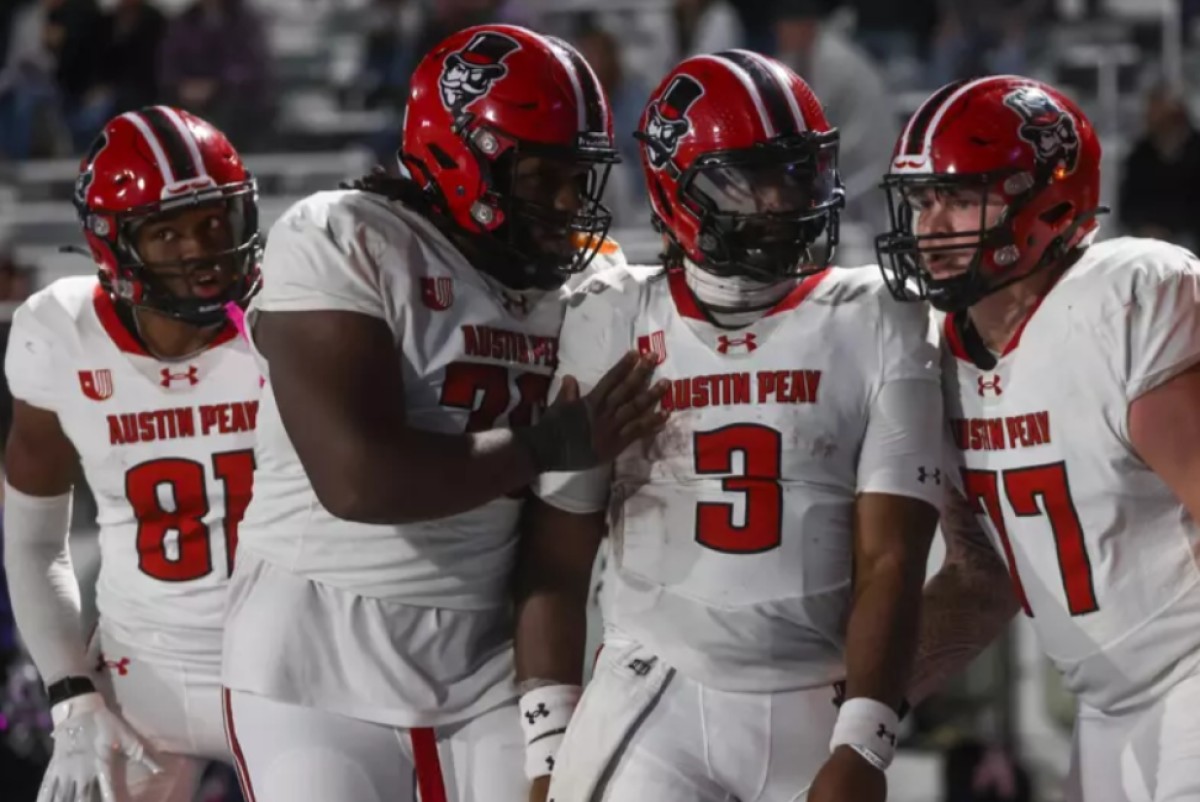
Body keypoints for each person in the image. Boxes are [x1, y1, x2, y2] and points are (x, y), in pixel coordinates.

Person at [219, 24, 666, 802]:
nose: (568, 203)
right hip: (316, 649)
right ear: (460, 154)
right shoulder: (344, 234)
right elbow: (358, 482)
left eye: (578, 177)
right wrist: (550, 443)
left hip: (485, 652)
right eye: (543, 177)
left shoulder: (586, 282)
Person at [521, 51, 943, 802]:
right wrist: (546, 745)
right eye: (751, 179)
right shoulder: (613, 313)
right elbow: (558, 550)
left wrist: (867, 738)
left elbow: (893, 558)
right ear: (676, 189)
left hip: (821, 694)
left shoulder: (876, 314)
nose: (785, 199)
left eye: (799, 172)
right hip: (657, 688)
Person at [876, 75, 1200, 802]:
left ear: (1048, 201)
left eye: (960, 198)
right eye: (923, 201)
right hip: (1106, 709)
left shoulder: (1124, 299)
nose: (932, 227)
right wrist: (862, 703)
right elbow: (982, 575)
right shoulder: (938, 355)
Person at [3, 105, 261, 802]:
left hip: (295, 671)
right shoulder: (60, 332)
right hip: (139, 675)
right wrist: (70, 695)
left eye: (214, 221)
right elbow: (33, 542)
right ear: (113, 245)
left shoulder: (294, 315)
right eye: (166, 231)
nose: (199, 250)